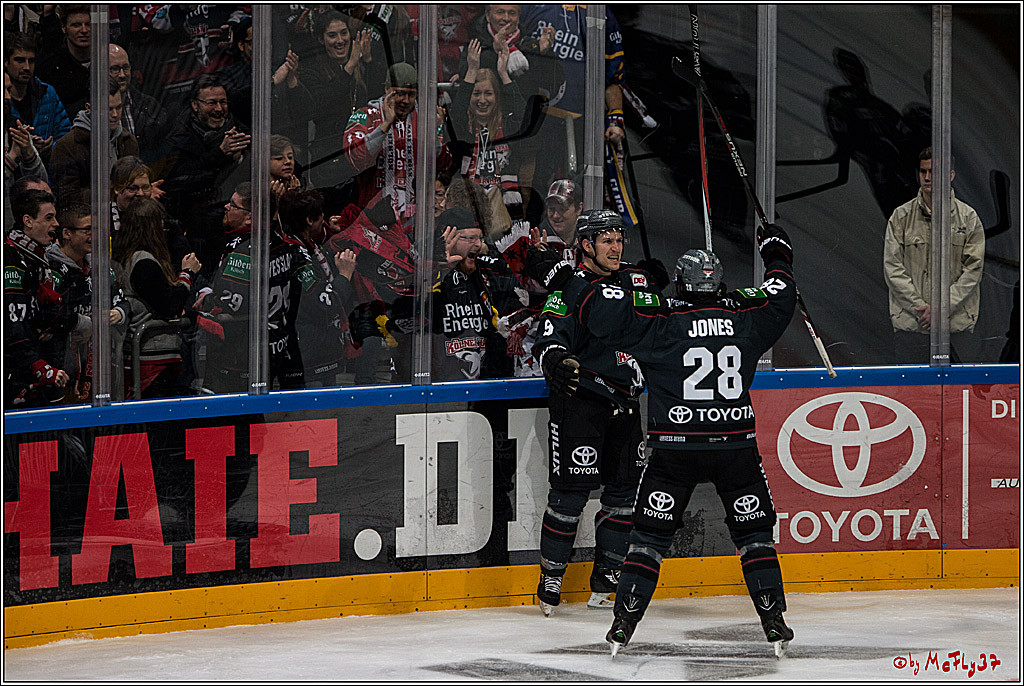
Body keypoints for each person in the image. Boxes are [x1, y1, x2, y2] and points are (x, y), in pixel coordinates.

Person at [559, 222, 798, 655]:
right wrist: (777, 253)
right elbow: (781, 295)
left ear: (681, 282)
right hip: (735, 449)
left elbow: (602, 315)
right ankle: (774, 622)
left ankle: (622, 627)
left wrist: (578, 280)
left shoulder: (662, 320)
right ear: (718, 282)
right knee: (756, 538)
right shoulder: (743, 318)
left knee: (648, 540)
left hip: (675, 452)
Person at [530, 209, 661, 616]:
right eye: (606, 239)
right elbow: (549, 334)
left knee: (623, 496)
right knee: (569, 496)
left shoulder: (634, 279)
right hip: (581, 401)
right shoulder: (570, 286)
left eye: (618, 239)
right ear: (586, 245)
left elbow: (660, 320)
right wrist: (552, 358)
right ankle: (552, 574)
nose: (616, 246)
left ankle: (607, 573)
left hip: (625, 404)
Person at [883, 147, 985, 363]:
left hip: (956, 328)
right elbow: (893, 269)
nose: (928, 177)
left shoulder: (968, 218)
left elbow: (973, 271)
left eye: (934, 172)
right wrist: (921, 310)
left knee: (961, 393)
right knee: (910, 394)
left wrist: (943, 309)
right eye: (923, 172)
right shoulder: (901, 217)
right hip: (912, 327)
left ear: (950, 176)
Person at [159, 74, 250, 274]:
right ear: (195, 105)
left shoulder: (241, 132)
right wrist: (220, 155)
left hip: (233, 225)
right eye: (211, 103)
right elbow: (178, 183)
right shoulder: (178, 137)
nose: (219, 109)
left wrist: (240, 159)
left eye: (223, 102)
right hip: (194, 231)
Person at [111, 197, 201, 399]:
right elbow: (170, 306)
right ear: (150, 226)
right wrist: (187, 274)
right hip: (150, 359)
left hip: (147, 356)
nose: (164, 227)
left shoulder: (128, 256)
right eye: (160, 222)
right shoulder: (143, 262)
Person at [342, 62, 450, 224]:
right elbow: (355, 158)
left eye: (411, 95)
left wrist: (432, 133)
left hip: (416, 219)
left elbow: (443, 165)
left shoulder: (427, 120)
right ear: (387, 89)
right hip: (372, 216)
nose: (405, 101)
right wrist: (385, 125)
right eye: (400, 94)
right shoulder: (365, 116)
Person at [45, 204, 129, 403]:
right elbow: (52, 314)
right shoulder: (50, 266)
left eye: (96, 229)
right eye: (87, 230)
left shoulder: (99, 267)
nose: (93, 235)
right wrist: (86, 323)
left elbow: (123, 302)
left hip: (94, 365)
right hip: (59, 364)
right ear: (67, 233)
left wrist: (118, 312)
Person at [4, 188, 75, 408]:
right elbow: (12, 327)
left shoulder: (39, 259)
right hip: (12, 373)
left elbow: (55, 311)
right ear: (28, 221)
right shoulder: (10, 259)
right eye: (48, 218)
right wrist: (38, 366)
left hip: (29, 368)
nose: (56, 224)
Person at [448, 38, 528, 225]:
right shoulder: (464, 129)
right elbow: (456, 115)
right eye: (476, 94)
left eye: (488, 93)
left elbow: (524, 117)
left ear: (497, 97)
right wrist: (471, 72)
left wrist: (503, 74)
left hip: (504, 204)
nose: (482, 100)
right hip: (467, 202)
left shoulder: (507, 126)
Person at [49, 82, 139, 209]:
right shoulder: (66, 147)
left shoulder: (128, 141)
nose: (114, 115)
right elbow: (67, 199)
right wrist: (115, 190)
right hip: (86, 223)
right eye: (108, 109)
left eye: (118, 107)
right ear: (89, 108)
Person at [4, 31, 71, 162]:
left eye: (32, 61)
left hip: (43, 172)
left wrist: (51, 146)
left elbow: (65, 134)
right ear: (6, 62)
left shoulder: (47, 93)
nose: (27, 67)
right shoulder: (4, 100)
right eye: (20, 60)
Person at [108, 43, 168, 160]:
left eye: (126, 68)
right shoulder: (88, 109)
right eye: (115, 69)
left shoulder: (150, 106)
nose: (122, 75)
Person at [35, 4, 90, 123]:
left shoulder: (109, 60)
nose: (84, 30)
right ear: (64, 28)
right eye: (76, 25)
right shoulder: (51, 67)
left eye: (88, 24)